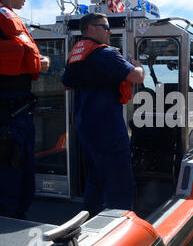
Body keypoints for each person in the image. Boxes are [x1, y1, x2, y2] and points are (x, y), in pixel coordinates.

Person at [62, 13, 145, 217]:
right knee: (120, 181)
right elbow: (136, 77)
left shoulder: (75, 56)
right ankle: (120, 228)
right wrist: (139, 65)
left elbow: (65, 84)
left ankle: (88, 220)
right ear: (90, 28)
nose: (109, 32)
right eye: (105, 27)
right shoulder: (105, 54)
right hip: (108, 128)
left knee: (95, 178)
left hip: (86, 128)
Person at [0, 0, 50, 219]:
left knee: (20, 190)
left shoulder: (7, 16)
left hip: (17, 115)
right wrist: (30, 61)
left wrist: (32, 62)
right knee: (8, 193)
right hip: (7, 120)